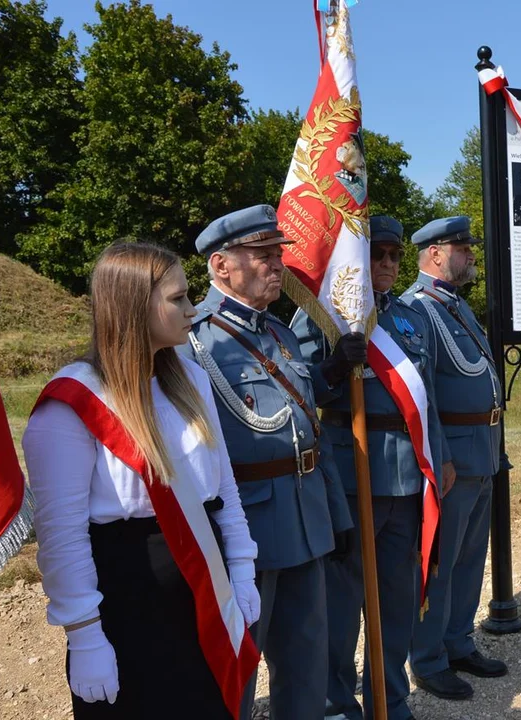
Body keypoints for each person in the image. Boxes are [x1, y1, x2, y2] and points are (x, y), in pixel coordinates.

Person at [23, 242, 260, 719]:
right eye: (178, 298)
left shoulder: (189, 379)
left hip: (203, 573)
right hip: (131, 591)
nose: (192, 309)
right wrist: (85, 635)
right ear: (133, 305)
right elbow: (62, 535)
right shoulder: (72, 401)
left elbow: (224, 488)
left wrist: (242, 566)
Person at [179, 204, 361, 720]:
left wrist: (335, 515)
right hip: (244, 534)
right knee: (236, 667)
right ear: (221, 266)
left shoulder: (279, 335)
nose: (276, 265)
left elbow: (307, 430)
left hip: (306, 521)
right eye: (262, 255)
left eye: (276, 254)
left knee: (305, 665)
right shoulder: (192, 342)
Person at [291, 215, 448, 720]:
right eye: (375, 254)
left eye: (392, 256)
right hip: (351, 467)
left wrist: (438, 456)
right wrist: (336, 366)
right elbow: (302, 388)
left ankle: (390, 698)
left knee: (399, 600)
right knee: (343, 601)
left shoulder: (408, 317)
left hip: (406, 478)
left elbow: (426, 398)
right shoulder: (319, 314)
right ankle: (339, 704)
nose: (384, 263)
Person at [403, 216, 509, 700]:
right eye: (462, 247)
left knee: (469, 559)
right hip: (452, 460)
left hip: (481, 452)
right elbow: (420, 394)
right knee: (441, 563)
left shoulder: (456, 308)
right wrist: (439, 457)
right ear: (436, 254)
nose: (470, 253)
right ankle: (427, 660)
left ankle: (458, 640)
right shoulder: (418, 310)